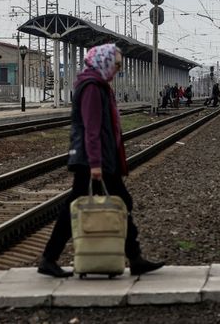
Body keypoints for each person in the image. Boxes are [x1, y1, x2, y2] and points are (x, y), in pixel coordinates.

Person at [38, 43, 163, 278]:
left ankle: (134, 257)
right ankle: (50, 258)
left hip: (99, 159)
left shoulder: (98, 85)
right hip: (93, 161)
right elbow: (91, 128)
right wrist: (96, 163)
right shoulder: (93, 87)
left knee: (112, 202)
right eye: (116, 64)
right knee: (115, 202)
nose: (118, 69)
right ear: (103, 62)